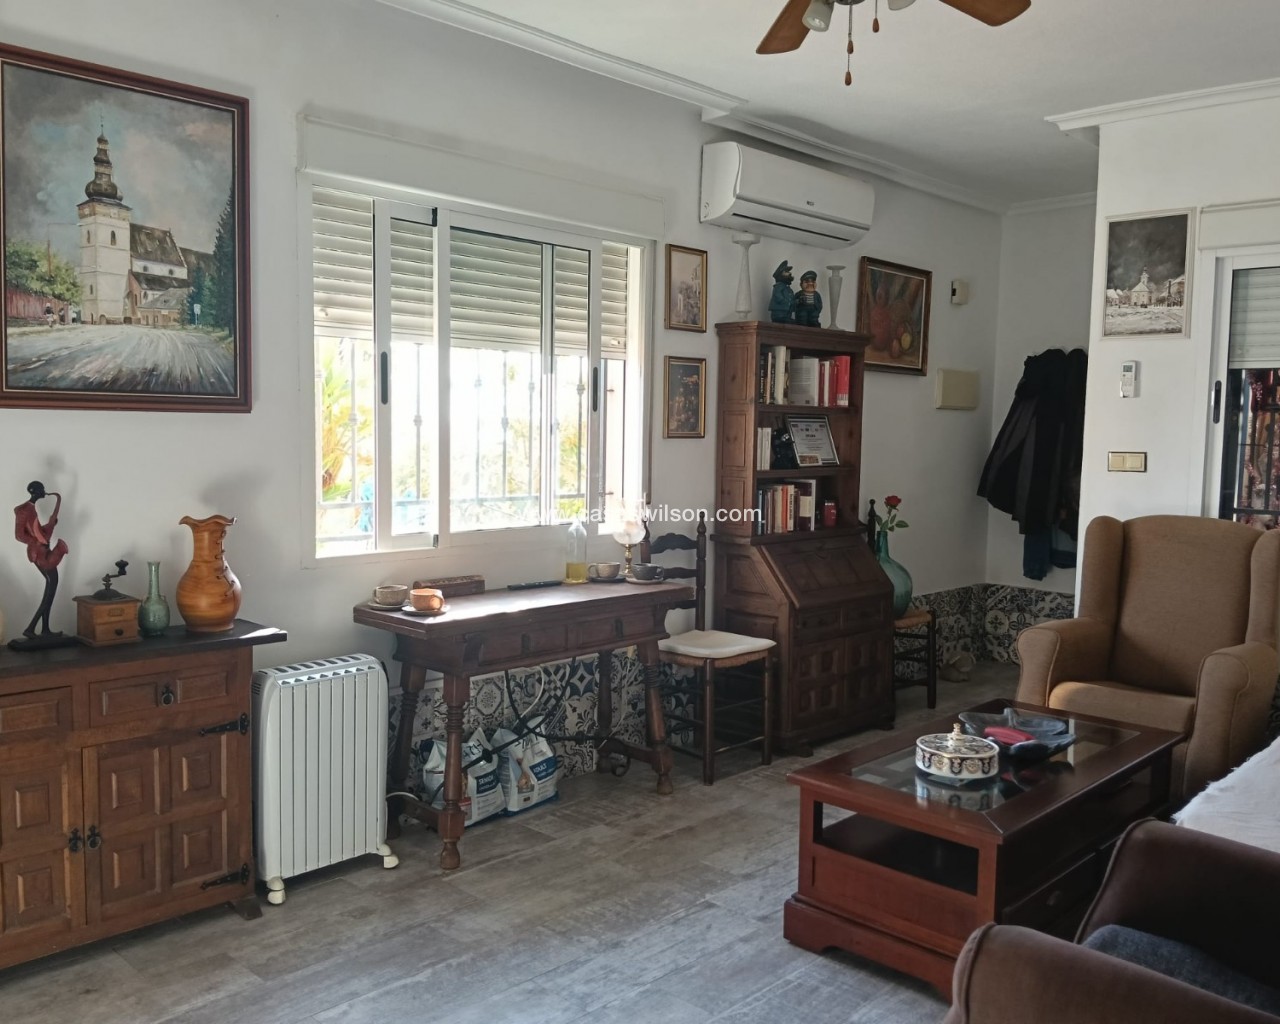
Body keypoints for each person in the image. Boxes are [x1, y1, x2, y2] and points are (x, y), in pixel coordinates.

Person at [14, 481, 69, 638]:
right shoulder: (24, 510)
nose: (44, 491)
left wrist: (49, 525)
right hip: (40, 554)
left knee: (50, 591)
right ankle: (31, 628)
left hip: (43, 550)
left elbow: (35, 530)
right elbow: (19, 535)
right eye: (42, 489)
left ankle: (45, 629)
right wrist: (37, 541)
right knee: (50, 593)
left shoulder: (31, 508)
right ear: (36, 492)